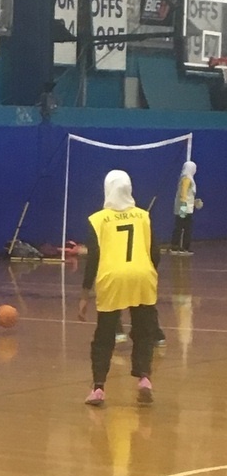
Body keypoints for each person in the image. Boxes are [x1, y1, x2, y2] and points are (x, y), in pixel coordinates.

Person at [78, 170, 160, 406]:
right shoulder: (144, 216)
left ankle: (98, 388)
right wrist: (149, 274)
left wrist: (84, 295)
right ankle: (144, 378)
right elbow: (155, 253)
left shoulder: (97, 220)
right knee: (145, 331)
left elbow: (93, 258)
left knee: (105, 335)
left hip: (112, 279)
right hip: (142, 276)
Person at [170, 161, 201, 255]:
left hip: (185, 206)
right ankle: (182, 248)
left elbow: (188, 195)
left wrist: (194, 202)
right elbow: (183, 193)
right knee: (184, 227)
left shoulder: (187, 178)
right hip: (184, 207)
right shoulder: (187, 179)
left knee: (180, 225)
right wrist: (183, 205)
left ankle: (176, 246)